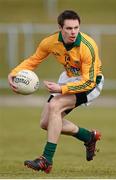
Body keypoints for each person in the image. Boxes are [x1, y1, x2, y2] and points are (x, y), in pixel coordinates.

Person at [8, 10, 104, 174]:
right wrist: (15, 72)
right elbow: (34, 60)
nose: (73, 32)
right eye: (68, 28)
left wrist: (61, 89)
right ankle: (88, 137)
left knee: (55, 105)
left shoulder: (88, 46)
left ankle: (46, 159)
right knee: (46, 123)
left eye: (76, 28)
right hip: (69, 78)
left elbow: (88, 82)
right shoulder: (50, 42)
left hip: (91, 83)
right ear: (60, 28)